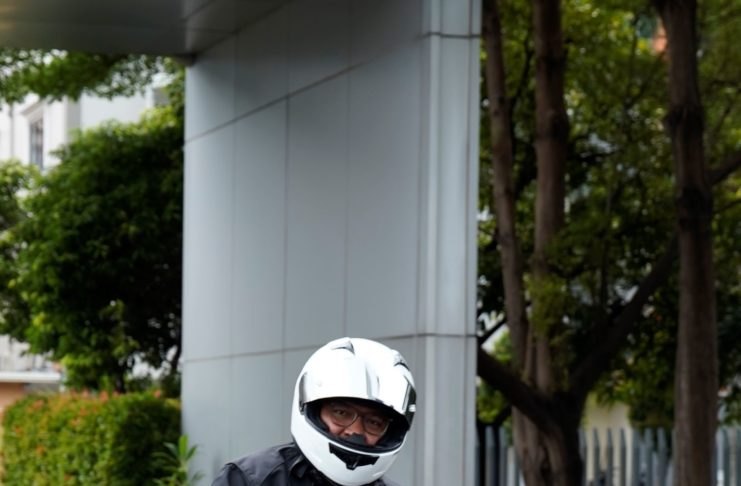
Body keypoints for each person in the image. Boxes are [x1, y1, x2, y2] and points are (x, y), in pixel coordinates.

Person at [211, 337, 417, 486]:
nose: (355, 431)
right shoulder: (249, 480)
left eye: (374, 422)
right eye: (341, 413)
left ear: (389, 433)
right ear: (314, 410)